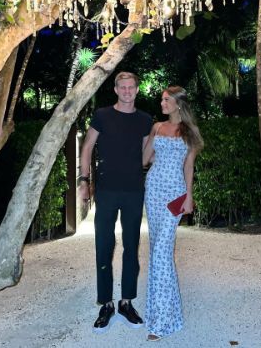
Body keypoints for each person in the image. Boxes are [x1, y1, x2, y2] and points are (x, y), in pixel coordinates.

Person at [78, 71, 153, 334]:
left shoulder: (145, 120)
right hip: (107, 191)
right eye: (123, 87)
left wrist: (161, 140)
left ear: (137, 89)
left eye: (131, 87)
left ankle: (126, 302)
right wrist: (83, 180)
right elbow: (87, 147)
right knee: (103, 245)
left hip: (133, 190)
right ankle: (106, 303)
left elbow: (145, 158)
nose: (127, 91)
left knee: (132, 247)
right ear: (115, 89)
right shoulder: (102, 115)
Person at [142, 86, 204, 341]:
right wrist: (146, 142)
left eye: (166, 100)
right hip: (154, 191)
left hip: (175, 194)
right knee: (158, 249)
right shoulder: (157, 127)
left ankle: (161, 321)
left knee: (160, 254)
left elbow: (188, 167)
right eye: (162, 99)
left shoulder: (190, 133)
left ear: (178, 104)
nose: (162, 103)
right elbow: (145, 160)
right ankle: (170, 314)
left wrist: (189, 197)